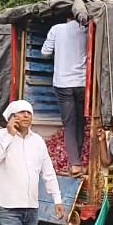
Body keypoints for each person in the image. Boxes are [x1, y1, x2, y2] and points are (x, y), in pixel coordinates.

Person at [40, 18, 88, 177]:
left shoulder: (56, 28)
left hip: (63, 83)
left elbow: (45, 52)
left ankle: (75, 164)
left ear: (67, 17)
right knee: (81, 123)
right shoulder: (87, 30)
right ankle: (79, 161)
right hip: (82, 83)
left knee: (69, 124)